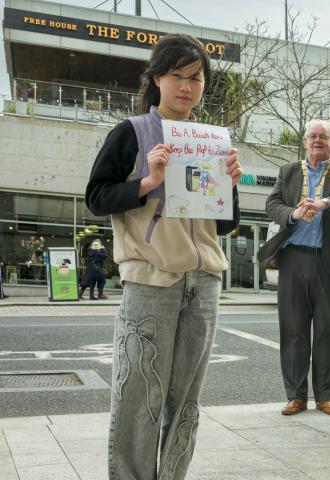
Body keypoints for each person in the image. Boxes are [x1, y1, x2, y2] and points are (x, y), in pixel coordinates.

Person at [85, 34, 243, 479]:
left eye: (196, 78)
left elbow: (224, 225)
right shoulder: (132, 133)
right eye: (177, 75)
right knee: (138, 397)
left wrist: (229, 186)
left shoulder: (211, 140)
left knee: (186, 401)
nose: (187, 86)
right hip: (151, 278)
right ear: (156, 78)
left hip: (205, 280)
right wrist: (147, 182)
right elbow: (97, 197)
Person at [258, 119, 330, 416]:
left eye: (324, 136)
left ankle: (326, 396)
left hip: (327, 260)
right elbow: (271, 204)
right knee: (293, 329)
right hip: (293, 258)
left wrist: (326, 203)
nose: (318, 140)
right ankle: (295, 395)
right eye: (313, 136)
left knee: (328, 330)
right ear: (305, 141)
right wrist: (293, 213)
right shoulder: (289, 170)